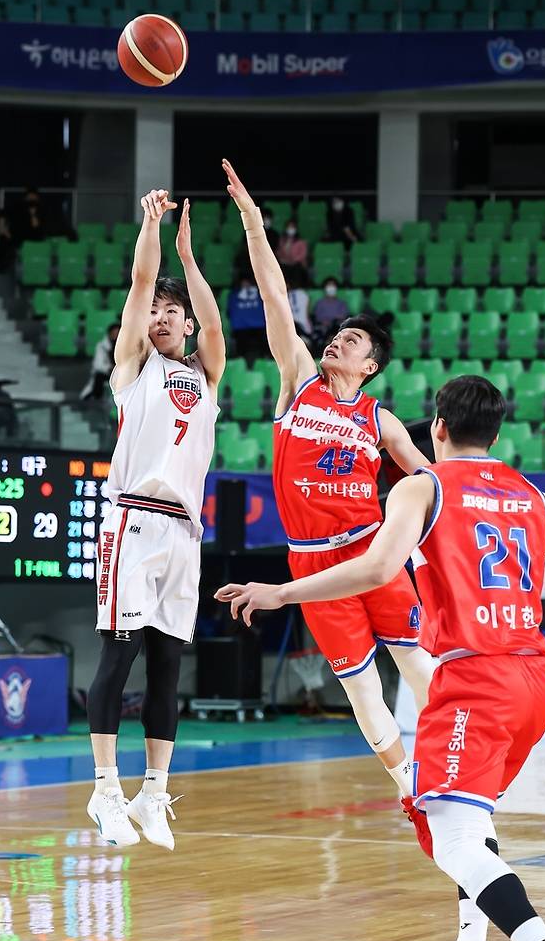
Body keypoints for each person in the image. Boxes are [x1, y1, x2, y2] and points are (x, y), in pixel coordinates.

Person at [217, 375, 545, 941]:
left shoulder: (422, 487)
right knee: (469, 819)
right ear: (497, 432)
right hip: (536, 683)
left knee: (450, 836)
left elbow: (376, 567)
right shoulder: (534, 497)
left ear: (436, 428)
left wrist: (280, 591)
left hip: (474, 683)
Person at [221, 158, 435, 815]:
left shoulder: (381, 417)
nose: (340, 339)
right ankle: (409, 788)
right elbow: (277, 297)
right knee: (362, 691)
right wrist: (255, 226)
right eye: (340, 333)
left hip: (374, 551)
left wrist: (419, 535)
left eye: (355, 340)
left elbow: (430, 477)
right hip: (313, 559)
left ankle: (458, 769)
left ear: (371, 366)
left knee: (421, 670)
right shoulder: (299, 382)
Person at [85, 191, 225, 851]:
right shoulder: (133, 366)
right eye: (158, 311)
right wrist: (150, 225)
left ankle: (152, 792)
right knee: (120, 654)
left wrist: (190, 258)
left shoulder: (207, 373)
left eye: (176, 311)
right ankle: (106, 788)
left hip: (184, 534)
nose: (164, 316)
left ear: (190, 325)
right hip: (133, 521)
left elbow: (217, 326)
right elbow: (142, 280)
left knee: (169, 664)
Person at [227, 274, 267, 356]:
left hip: (259, 327)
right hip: (241, 329)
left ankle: (265, 358)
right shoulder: (234, 295)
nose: (246, 285)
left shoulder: (260, 292)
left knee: (264, 344)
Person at [80, 323, 121, 401]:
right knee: (99, 377)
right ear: (109, 334)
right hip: (107, 373)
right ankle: (96, 398)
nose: (116, 336)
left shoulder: (124, 346)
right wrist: (110, 368)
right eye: (114, 333)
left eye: (118, 333)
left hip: (120, 373)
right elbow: (98, 365)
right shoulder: (102, 346)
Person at [311, 277, 350, 348]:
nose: (331, 288)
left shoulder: (341, 303)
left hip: (336, 327)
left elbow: (343, 316)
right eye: (329, 286)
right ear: (325, 288)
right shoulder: (320, 303)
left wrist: (333, 321)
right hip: (323, 327)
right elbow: (318, 317)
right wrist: (325, 322)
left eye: (333, 286)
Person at [276, 218, 308, 283]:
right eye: (289, 227)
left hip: (296, 264)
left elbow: (302, 255)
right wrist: (282, 259)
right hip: (284, 263)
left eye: (292, 227)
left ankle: (295, 285)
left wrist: (292, 260)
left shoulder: (301, 241)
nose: (290, 229)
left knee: (296, 269)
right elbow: (278, 252)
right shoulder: (282, 240)